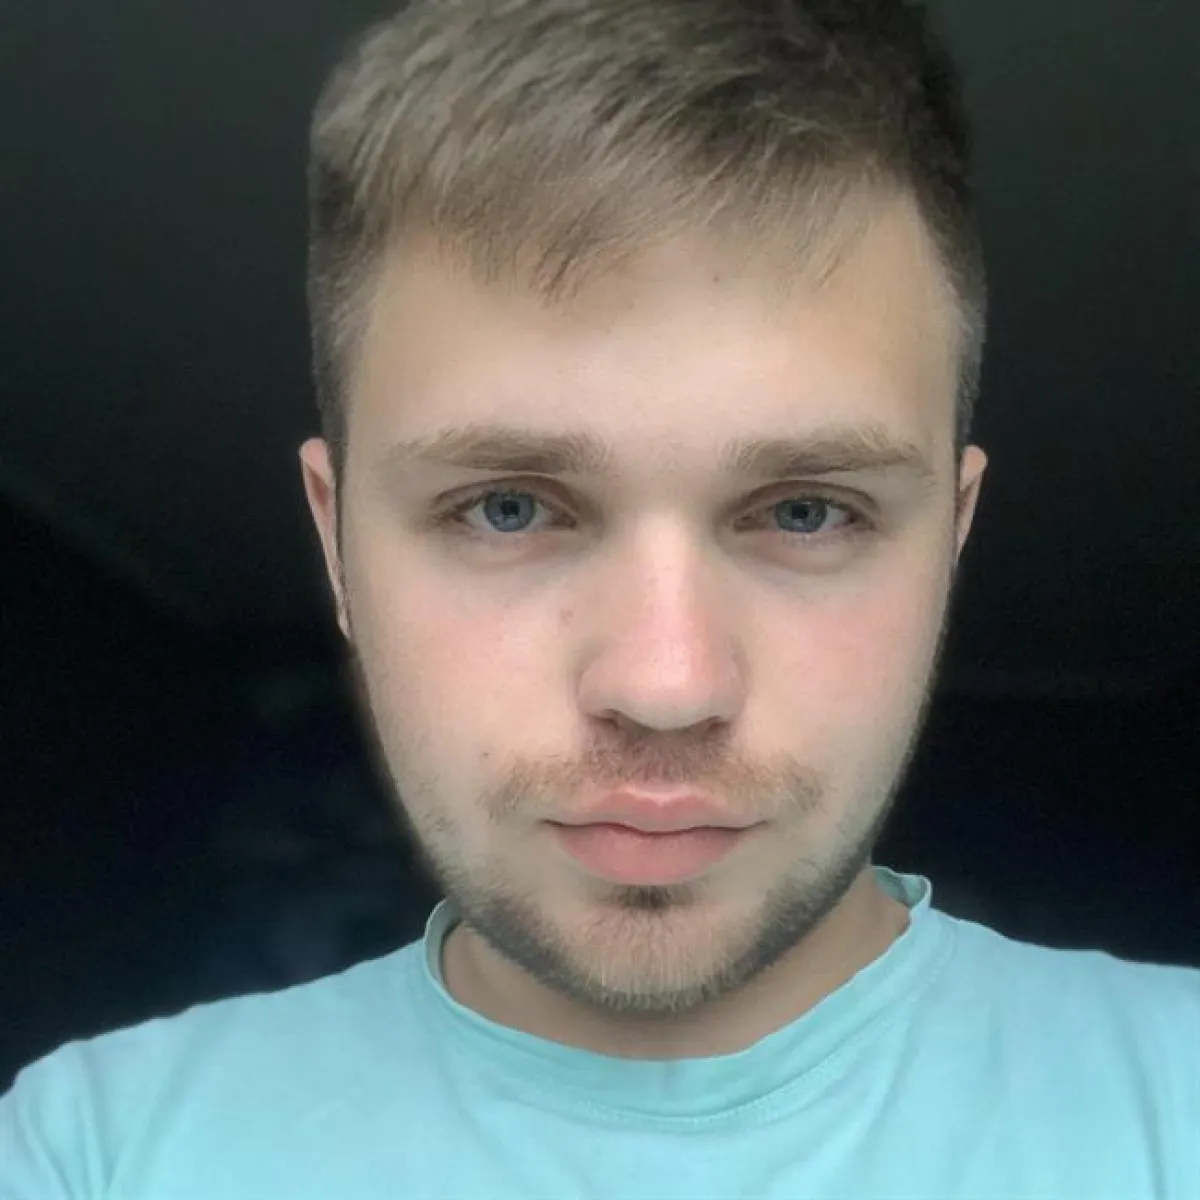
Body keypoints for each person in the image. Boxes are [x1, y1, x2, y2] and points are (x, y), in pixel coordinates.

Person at [3, 0, 1196, 1195]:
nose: (666, 685)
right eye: (507, 508)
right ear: (337, 544)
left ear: (952, 541)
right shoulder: (87, 1154)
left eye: (805, 511)